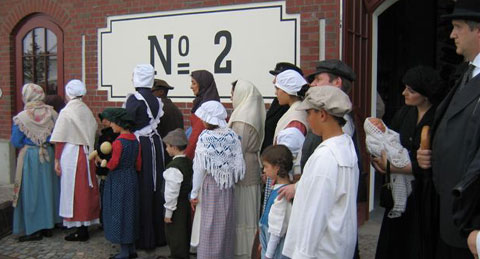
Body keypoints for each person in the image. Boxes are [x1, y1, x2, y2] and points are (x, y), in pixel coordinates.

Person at [417, 1, 480, 258]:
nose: (452, 34)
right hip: (448, 216)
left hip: (470, 219)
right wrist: (430, 154)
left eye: (458, 27)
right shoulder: (466, 73)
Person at [373, 66, 445, 259]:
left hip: (422, 193)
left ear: (426, 95)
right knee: (394, 242)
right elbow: (390, 142)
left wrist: (398, 165)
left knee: (417, 243)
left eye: (411, 90)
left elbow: (436, 159)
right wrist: (379, 160)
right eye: (405, 87)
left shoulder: (439, 118)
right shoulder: (404, 114)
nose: (404, 93)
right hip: (398, 191)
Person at [281, 86, 358, 258]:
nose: (307, 119)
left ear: (322, 114)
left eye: (309, 114)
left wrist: (302, 254)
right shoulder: (345, 144)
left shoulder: (325, 156)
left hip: (320, 250)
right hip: (338, 244)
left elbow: (315, 211)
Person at [190, 100, 245, 259]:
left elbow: (199, 169)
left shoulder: (205, 137)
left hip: (210, 186)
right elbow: (237, 165)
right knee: (225, 226)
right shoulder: (231, 135)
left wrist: (194, 193)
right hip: (227, 186)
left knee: (208, 226)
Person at [51, 79, 100, 241]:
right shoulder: (86, 110)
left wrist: (57, 160)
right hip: (87, 153)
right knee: (85, 190)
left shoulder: (67, 111)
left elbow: (60, 138)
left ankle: (79, 228)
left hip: (71, 153)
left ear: (69, 93)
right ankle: (84, 225)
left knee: (74, 191)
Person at [11, 83, 61, 242]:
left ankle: (34, 229)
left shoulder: (22, 117)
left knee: (31, 192)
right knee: (48, 189)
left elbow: (16, 141)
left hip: (31, 157)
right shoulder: (52, 113)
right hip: (48, 155)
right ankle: (48, 224)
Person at [125, 64, 166, 249]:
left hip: (141, 145)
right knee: (155, 188)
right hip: (155, 145)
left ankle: (144, 238)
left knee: (142, 187)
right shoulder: (156, 100)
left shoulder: (134, 99)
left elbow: (128, 122)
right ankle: (157, 235)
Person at [228, 79, 266, 259]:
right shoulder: (251, 113)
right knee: (249, 210)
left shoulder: (242, 119)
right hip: (251, 165)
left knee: (244, 211)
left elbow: (237, 150)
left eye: (233, 92)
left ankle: (244, 251)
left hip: (243, 171)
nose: (231, 96)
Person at [102, 108, 141, 259]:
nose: (111, 125)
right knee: (130, 211)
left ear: (120, 123)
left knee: (119, 211)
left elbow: (114, 164)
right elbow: (138, 163)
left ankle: (124, 252)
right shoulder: (134, 139)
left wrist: (103, 163)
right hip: (131, 178)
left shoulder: (118, 142)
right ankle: (131, 248)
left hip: (118, 179)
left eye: (113, 122)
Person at [364, 117, 413, 218]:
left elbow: (396, 140)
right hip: (392, 164)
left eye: (380, 123)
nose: (379, 126)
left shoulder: (391, 134)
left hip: (404, 161)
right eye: (375, 125)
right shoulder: (371, 140)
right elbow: (376, 151)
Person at [162, 128, 193, 259]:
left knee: (175, 236)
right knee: (184, 233)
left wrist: (168, 213)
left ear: (174, 147)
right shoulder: (188, 162)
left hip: (176, 207)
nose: (166, 149)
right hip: (185, 204)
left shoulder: (174, 167)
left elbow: (171, 192)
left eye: (167, 146)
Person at [258, 145, 292, 259]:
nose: (264, 170)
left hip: (274, 249)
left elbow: (276, 231)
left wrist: (268, 254)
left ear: (277, 168)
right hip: (268, 242)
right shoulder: (277, 188)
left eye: (266, 167)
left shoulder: (281, 196)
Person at [261, 62, 303, 152]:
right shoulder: (284, 104)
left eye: (278, 88)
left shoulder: (296, 115)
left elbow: (288, 152)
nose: (274, 81)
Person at [184, 70, 220, 160]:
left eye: (194, 83)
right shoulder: (208, 102)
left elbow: (196, 135)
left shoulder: (207, 108)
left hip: (202, 157)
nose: (191, 87)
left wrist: (185, 158)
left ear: (203, 85)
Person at [95, 110, 120, 227]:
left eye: (106, 119)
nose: (103, 122)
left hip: (108, 168)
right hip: (104, 168)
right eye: (102, 119)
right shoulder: (104, 133)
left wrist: (101, 160)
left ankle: (106, 220)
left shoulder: (113, 135)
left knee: (107, 196)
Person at [152, 79, 184, 166]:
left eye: (152, 92)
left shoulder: (158, 110)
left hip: (164, 154)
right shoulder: (174, 108)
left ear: (161, 92)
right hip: (174, 153)